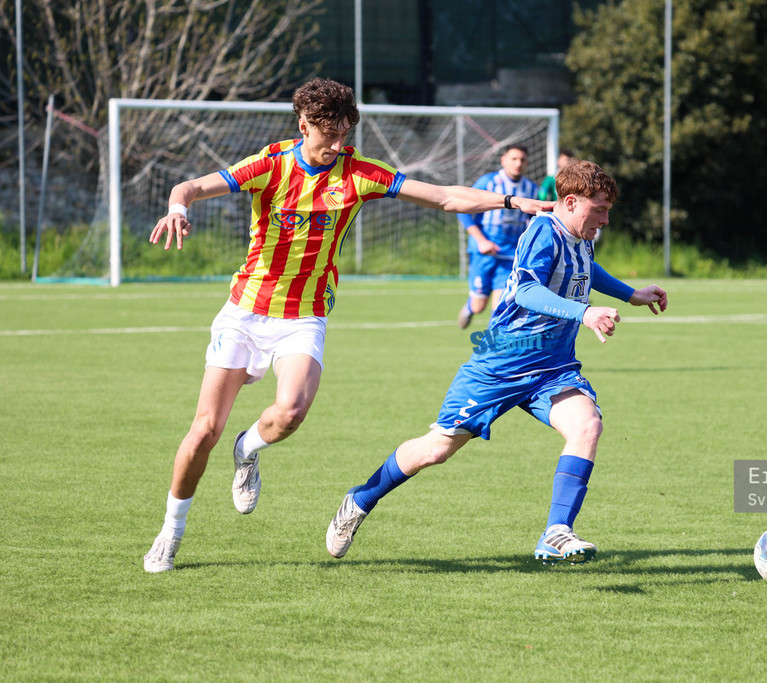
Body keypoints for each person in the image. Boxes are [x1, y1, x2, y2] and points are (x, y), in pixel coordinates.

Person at [142, 78, 553, 573]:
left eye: (345, 135)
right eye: (329, 135)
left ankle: (247, 449)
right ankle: (170, 533)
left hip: (305, 314)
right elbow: (189, 187)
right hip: (246, 310)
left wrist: (510, 202)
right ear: (304, 125)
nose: (339, 145)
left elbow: (444, 196)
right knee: (204, 429)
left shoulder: (359, 172)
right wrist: (178, 207)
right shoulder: (270, 165)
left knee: (290, 412)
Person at [325, 159, 668, 565]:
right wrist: (585, 313)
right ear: (571, 202)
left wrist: (631, 294)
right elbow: (525, 290)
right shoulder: (543, 231)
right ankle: (360, 500)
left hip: (552, 368)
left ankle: (556, 532)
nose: (605, 220)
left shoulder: (581, 233)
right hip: (500, 364)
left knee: (587, 425)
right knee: (436, 450)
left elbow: (585, 269)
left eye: (608, 210)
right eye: (600, 210)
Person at [456, 144, 540, 329]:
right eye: (514, 159)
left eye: (522, 160)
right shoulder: (487, 183)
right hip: (483, 253)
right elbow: (462, 211)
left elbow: (532, 221)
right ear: (503, 160)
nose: (518, 163)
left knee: (501, 306)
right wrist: (482, 241)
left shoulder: (531, 189)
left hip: (509, 255)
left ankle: (493, 341)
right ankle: (470, 307)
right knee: (479, 306)